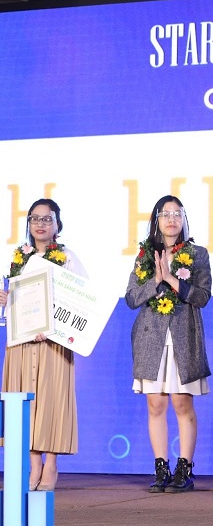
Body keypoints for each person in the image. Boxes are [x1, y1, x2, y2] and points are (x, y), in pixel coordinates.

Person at [125, 195, 211, 493]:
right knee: (156, 403)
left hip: (183, 336)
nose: (172, 219)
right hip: (151, 338)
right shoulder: (145, 256)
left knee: (181, 402)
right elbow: (131, 298)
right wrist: (155, 280)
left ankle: (184, 468)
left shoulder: (197, 254)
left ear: (184, 219)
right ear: (156, 220)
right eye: (165, 214)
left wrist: (173, 280)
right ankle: (161, 467)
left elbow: (202, 297)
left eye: (177, 214)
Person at [1, 199, 87, 491]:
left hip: (53, 343)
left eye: (47, 219)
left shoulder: (68, 258)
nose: (40, 224)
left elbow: (81, 301)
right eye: (34, 219)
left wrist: (51, 327)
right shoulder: (19, 258)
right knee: (25, 400)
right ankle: (33, 463)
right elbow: (18, 302)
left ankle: (51, 464)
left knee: (52, 400)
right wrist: (6, 300)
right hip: (22, 343)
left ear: (57, 224)